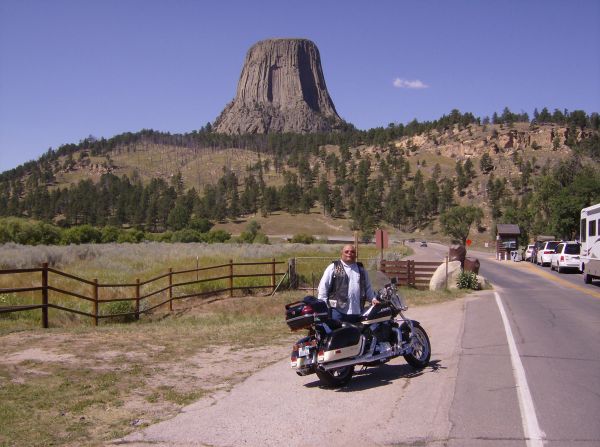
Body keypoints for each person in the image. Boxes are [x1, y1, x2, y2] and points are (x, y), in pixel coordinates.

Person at [317, 244, 379, 322]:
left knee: (355, 333)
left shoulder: (361, 270)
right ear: (341, 253)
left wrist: (373, 299)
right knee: (337, 334)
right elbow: (323, 288)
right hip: (337, 312)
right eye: (346, 251)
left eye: (352, 252)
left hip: (356, 312)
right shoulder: (333, 267)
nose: (349, 253)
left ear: (355, 254)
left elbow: (368, 288)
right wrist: (323, 307)